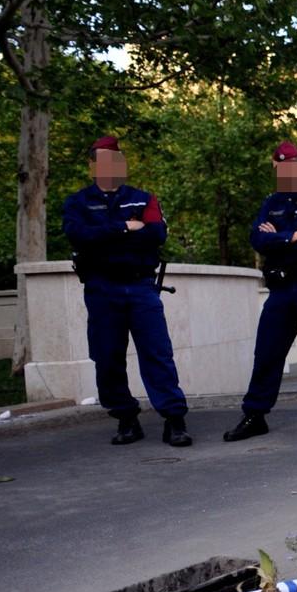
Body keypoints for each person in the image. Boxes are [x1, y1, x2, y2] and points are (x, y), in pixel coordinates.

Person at [61, 137, 191, 447]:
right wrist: (123, 228)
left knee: (157, 354)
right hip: (101, 289)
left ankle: (174, 419)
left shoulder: (143, 199)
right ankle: (125, 418)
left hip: (140, 287)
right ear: (92, 166)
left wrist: (104, 236)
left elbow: (155, 234)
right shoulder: (77, 203)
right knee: (107, 356)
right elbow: (78, 236)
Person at [224, 142, 297, 441]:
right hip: (281, 288)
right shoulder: (272, 201)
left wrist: (278, 237)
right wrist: (293, 236)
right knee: (267, 352)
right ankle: (255, 415)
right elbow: (256, 239)